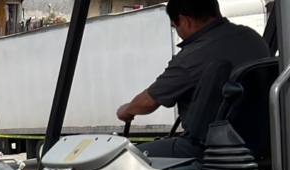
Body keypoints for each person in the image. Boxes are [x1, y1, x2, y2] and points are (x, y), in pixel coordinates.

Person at [115, 0, 269, 159]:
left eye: (175, 27)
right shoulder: (252, 37)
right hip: (258, 140)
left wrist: (127, 110)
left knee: (127, 158)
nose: (178, 33)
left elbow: (148, 102)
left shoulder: (193, 55)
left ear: (185, 21)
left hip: (206, 149)